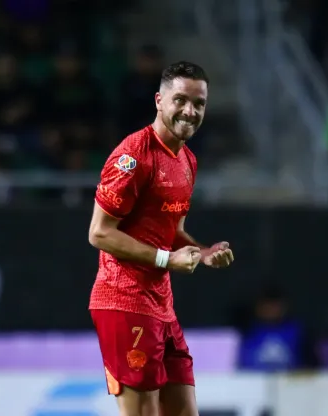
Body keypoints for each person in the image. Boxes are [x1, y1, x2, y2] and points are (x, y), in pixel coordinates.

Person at [87, 61, 235, 416]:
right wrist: (166, 260)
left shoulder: (187, 160)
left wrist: (202, 252)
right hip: (123, 301)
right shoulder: (133, 157)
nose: (190, 110)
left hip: (161, 307)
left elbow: (172, 232)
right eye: (180, 100)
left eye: (199, 103)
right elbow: (99, 232)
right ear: (159, 100)